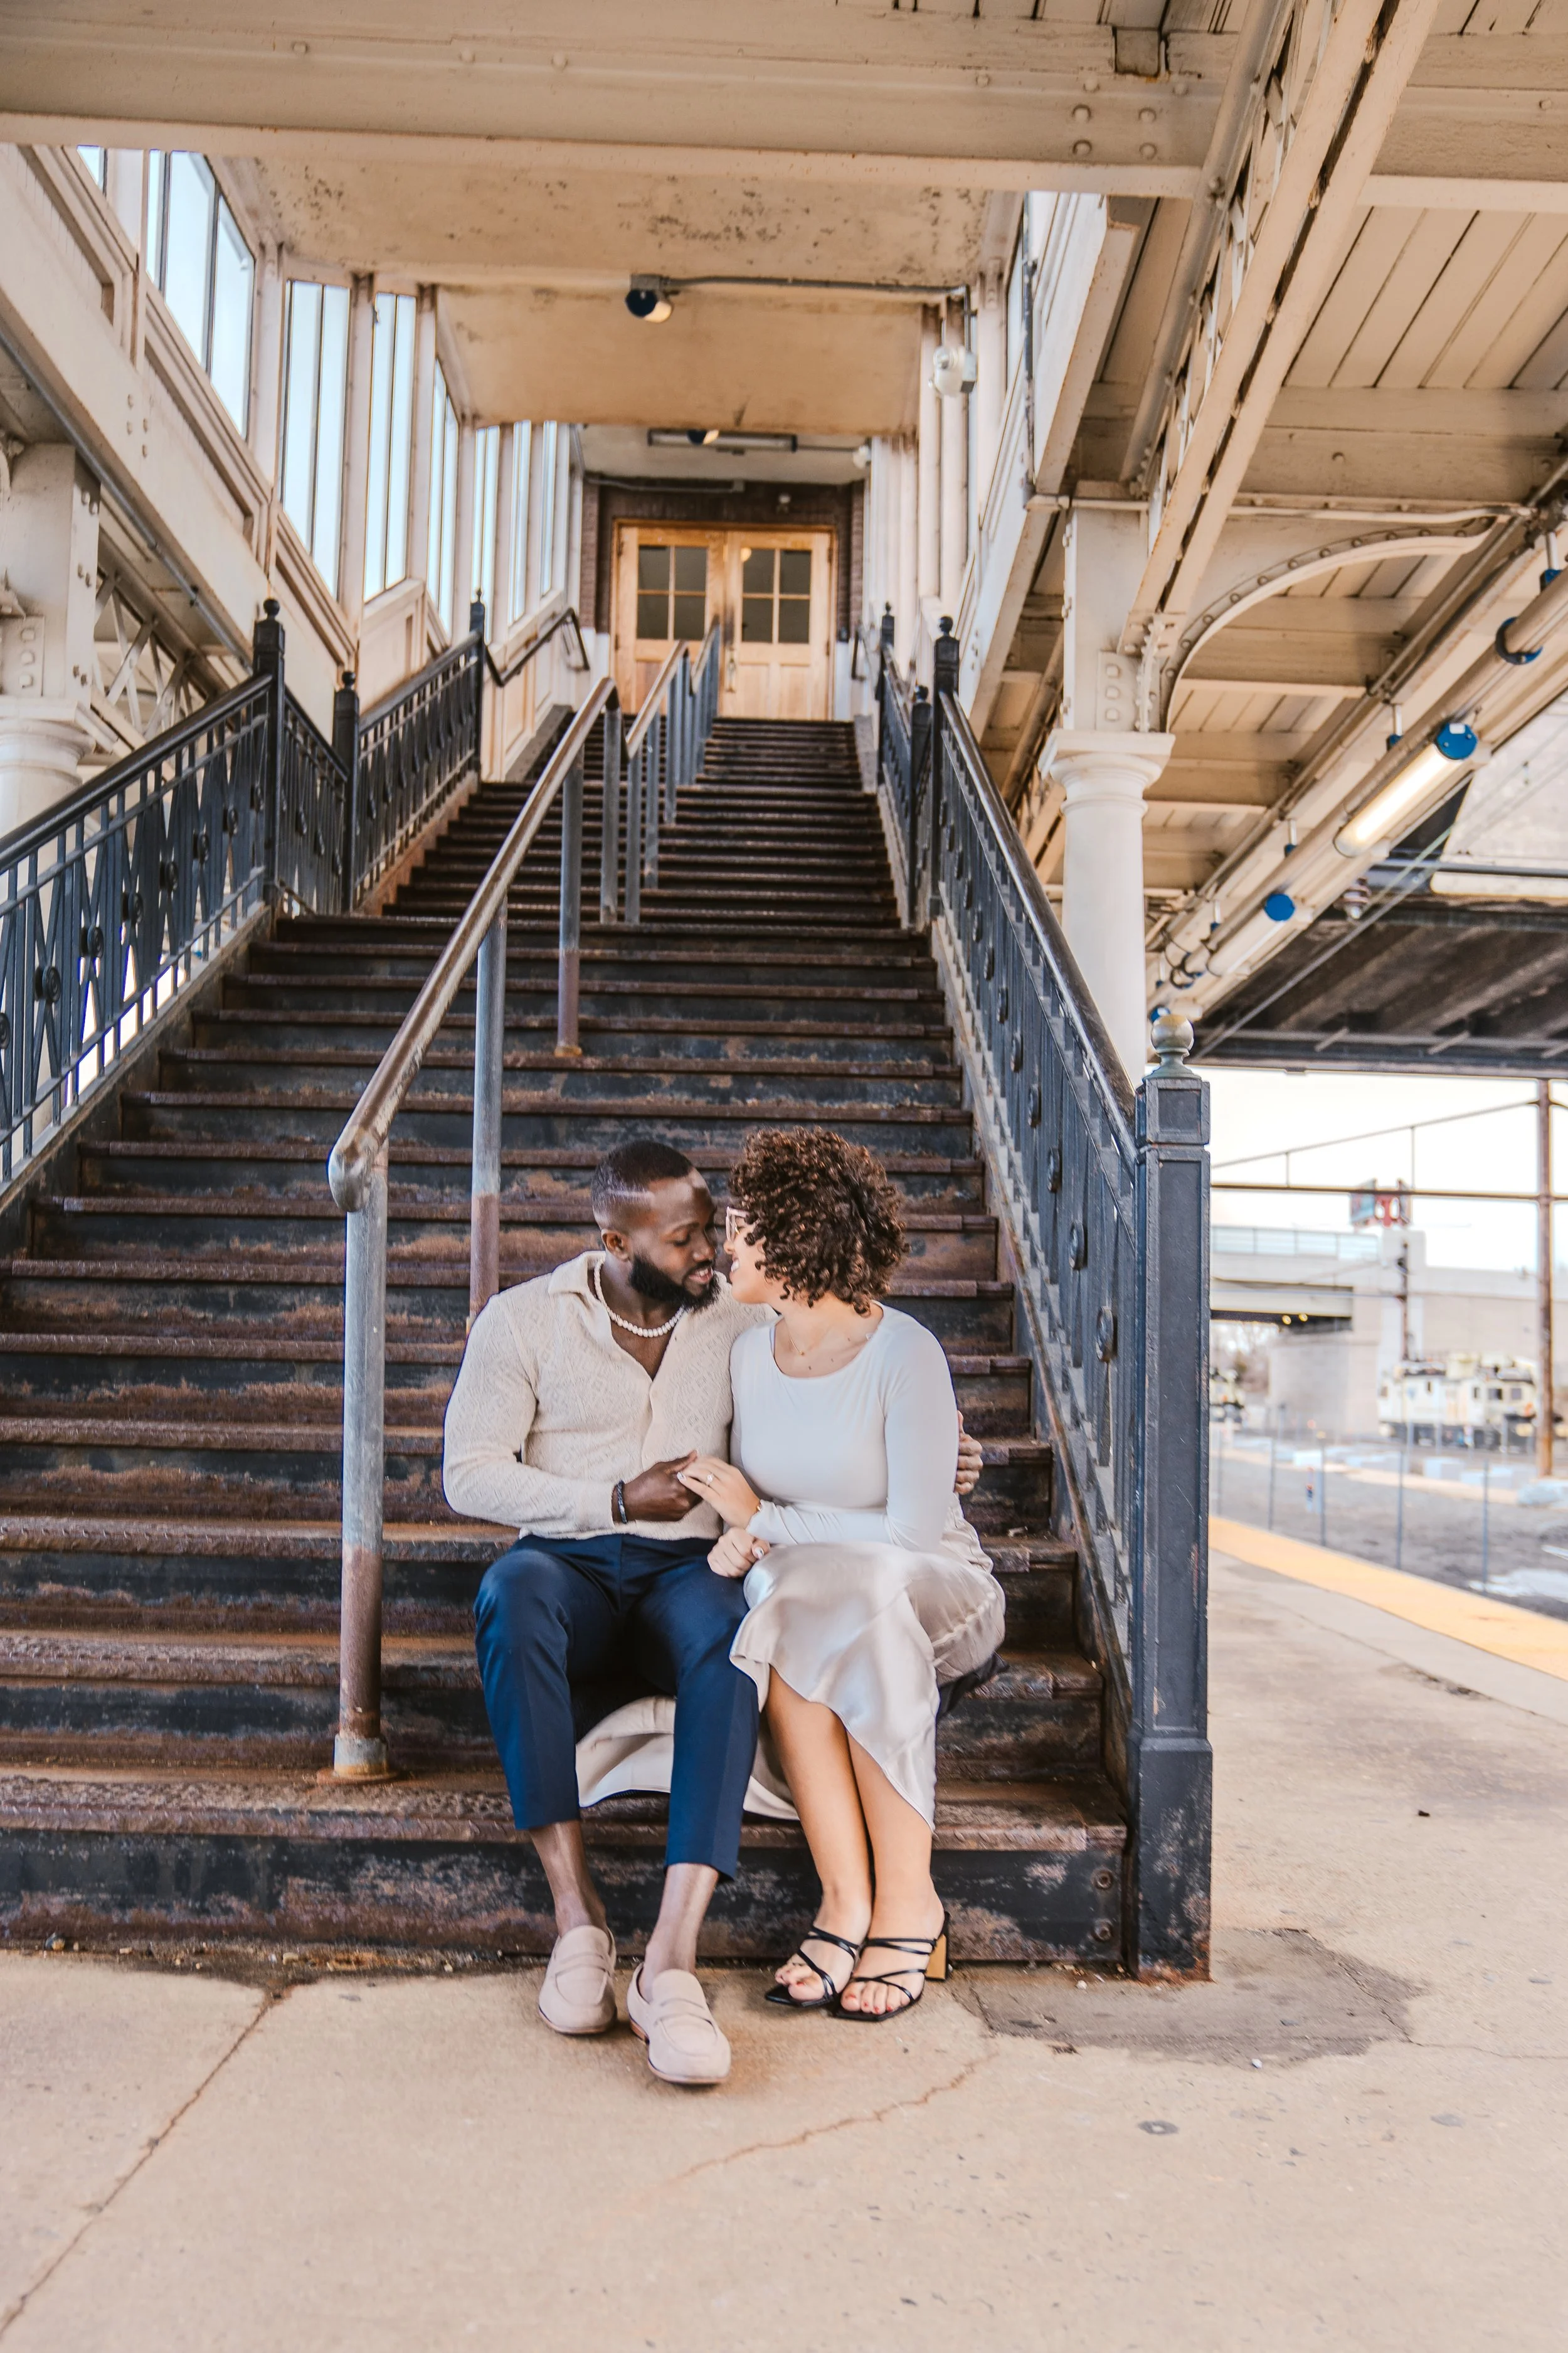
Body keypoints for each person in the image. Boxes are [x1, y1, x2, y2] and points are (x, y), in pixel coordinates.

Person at [442, 1137, 982, 2086]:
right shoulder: (522, 1321)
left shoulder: (739, 1317)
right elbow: (467, 1474)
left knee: (743, 1631)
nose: (714, 1254)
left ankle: (673, 1959)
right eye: (691, 1237)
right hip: (568, 1562)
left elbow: (847, 1375)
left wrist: (940, 1459)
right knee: (511, 1594)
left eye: (721, 1230)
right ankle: (578, 1925)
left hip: (701, 1566)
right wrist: (611, 1500)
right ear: (616, 1239)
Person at [677, 1126, 1005, 2024]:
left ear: (797, 1250)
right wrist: (748, 1534)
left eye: (745, 1230)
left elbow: (909, 1533)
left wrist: (765, 1520)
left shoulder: (907, 1354)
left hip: (933, 1586)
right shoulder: (749, 1350)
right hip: (810, 1585)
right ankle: (847, 1900)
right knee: (793, 1598)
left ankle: (910, 1902)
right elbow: (754, 1507)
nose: (724, 1246)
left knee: (850, 1593)